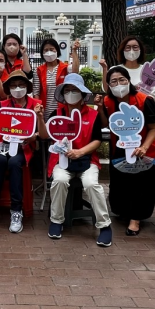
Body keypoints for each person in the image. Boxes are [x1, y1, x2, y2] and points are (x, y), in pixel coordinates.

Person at [38, 74, 112, 246]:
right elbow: (44, 135)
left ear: (83, 94)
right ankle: (57, 221)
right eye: (67, 90)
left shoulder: (93, 115)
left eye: (75, 90)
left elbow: (97, 140)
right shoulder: (56, 114)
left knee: (92, 184)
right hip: (61, 161)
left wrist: (80, 152)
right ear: (62, 94)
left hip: (87, 161)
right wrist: (41, 118)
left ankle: (105, 226)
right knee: (60, 181)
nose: (71, 93)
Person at [96, 66, 155, 236]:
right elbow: (104, 124)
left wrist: (144, 147)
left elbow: (154, 128)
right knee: (120, 184)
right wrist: (99, 108)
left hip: (145, 149)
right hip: (119, 149)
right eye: (113, 81)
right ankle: (125, 211)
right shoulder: (108, 101)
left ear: (129, 81)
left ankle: (136, 219)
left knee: (141, 185)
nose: (118, 84)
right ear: (108, 85)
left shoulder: (144, 100)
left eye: (122, 80)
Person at [0, 70, 43, 233]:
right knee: (0, 162)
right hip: (1, 146)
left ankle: (16, 210)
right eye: (14, 86)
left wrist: (34, 136)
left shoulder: (36, 104)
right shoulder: (2, 106)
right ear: (9, 88)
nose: (18, 89)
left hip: (23, 147)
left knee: (15, 163)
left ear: (27, 87)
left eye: (21, 85)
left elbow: (42, 133)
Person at [33, 38, 71, 118]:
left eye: (51, 49)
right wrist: (39, 111)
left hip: (63, 110)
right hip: (45, 111)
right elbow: (36, 93)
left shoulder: (66, 68)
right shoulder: (38, 70)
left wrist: (74, 51)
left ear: (57, 50)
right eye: (46, 50)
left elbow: (75, 75)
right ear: (42, 53)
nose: (49, 52)